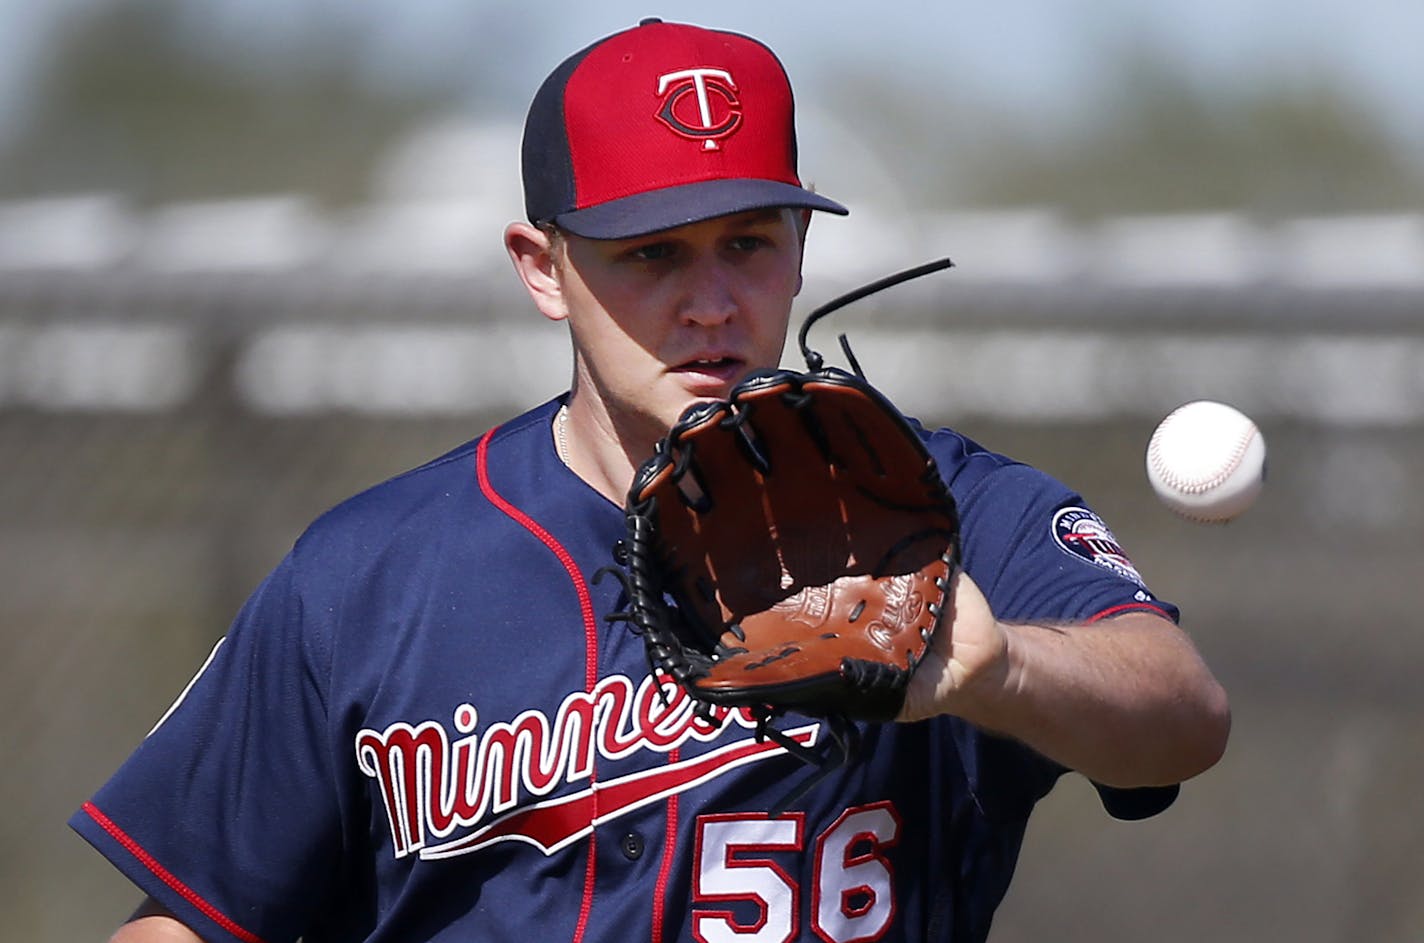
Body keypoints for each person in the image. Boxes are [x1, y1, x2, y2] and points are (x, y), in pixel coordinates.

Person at [73, 18, 1230, 943]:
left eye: (747, 243)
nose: (711, 303)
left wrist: (1001, 669)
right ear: (542, 268)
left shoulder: (937, 508)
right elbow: (194, 910)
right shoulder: (372, 571)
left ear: (798, 249)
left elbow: (1178, 715)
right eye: (650, 254)